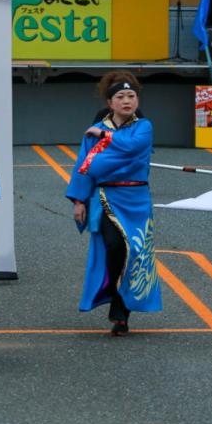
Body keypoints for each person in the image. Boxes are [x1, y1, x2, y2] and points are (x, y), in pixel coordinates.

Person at [65, 71, 162, 336]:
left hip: (137, 200)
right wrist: (79, 200)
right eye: (120, 96)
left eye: (131, 96)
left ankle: (122, 309)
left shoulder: (144, 126)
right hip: (106, 198)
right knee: (113, 246)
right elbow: (85, 166)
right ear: (110, 102)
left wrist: (105, 147)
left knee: (135, 253)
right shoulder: (96, 131)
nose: (127, 101)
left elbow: (133, 149)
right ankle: (116, 300)